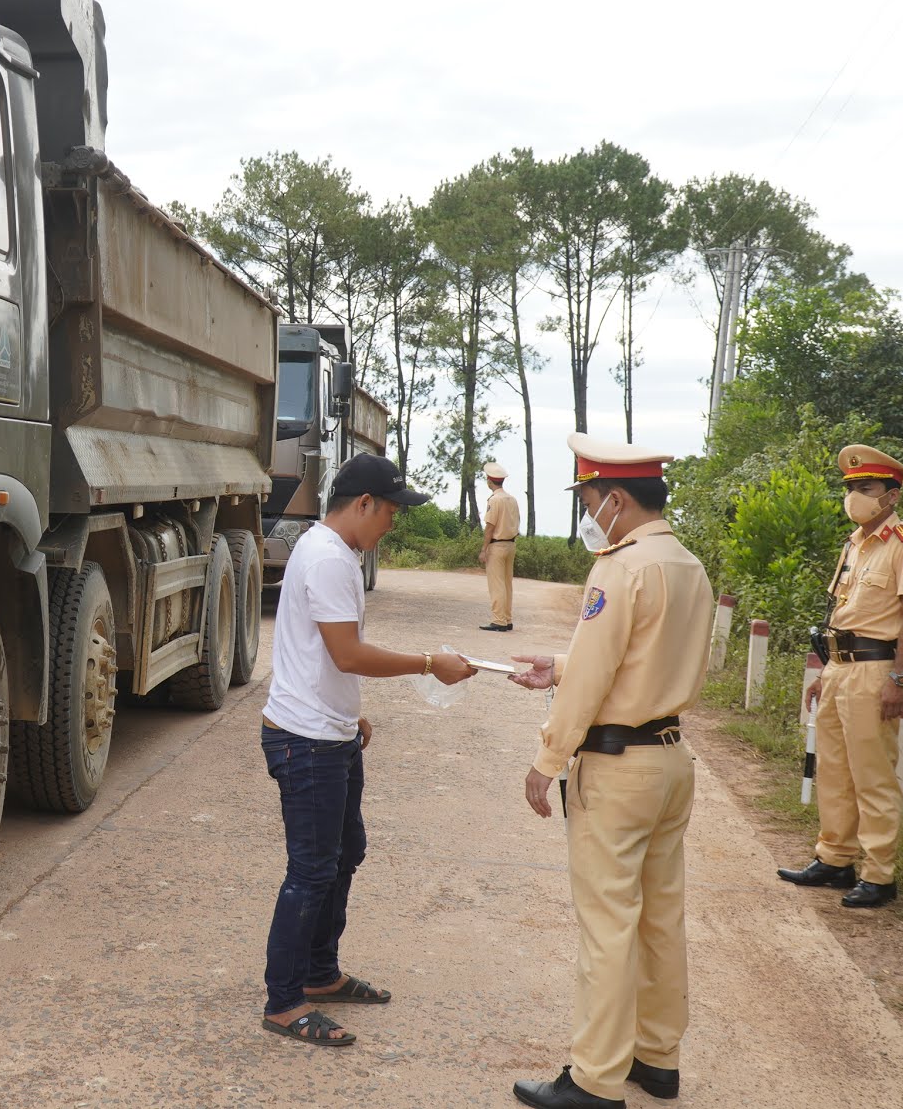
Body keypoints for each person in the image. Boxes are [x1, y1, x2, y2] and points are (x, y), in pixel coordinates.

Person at [506, 434, 714, 1108]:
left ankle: (593, 1079)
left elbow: (597, 672)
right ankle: (656, 1057)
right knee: (659, 915)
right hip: (669, 759)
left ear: (616, 499)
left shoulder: (618, 567)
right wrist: (557, 666)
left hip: (617, 768)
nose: (588, 513)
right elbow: (641, 660)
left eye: (589, 500)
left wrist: (547, 756)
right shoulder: (686, 564)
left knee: (606, 923)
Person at [259, 452, 477, 1046]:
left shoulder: (331, 552)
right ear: (362, 504)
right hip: (306, 742)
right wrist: (432, 664)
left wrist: (350, 714)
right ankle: (284, 1000)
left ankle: (322, 974)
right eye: (390, 512)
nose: (393, 524)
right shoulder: (330, 559)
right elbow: (348, 654)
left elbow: (323, 653)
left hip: (328, 732)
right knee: (310, 870)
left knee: (344, 851)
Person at [778, 444, 903, 909]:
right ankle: (835, 859)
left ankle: (879, 873)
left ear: (891, 496)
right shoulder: (853, 545)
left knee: (872, 774)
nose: (855, 497)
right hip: (841, 667)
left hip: (874, 670)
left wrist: (898, 679)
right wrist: (826, 669)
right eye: (851, 488)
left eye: (865, 488)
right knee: (834, 771)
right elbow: (843, 612)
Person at [479, 461, 520, 632]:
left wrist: (484, 549)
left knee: (496, 585)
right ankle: (507, 619)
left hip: (497, 545)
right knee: (506, 584)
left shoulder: (494, 500)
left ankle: (499, 620)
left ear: (489, 481)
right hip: (511, 544)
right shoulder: (512, 499)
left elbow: (490, 526)